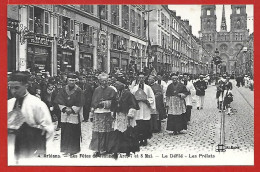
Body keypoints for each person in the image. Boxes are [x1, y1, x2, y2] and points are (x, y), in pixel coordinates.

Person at [8, 71, 54, 162]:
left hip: (30, 148)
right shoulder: (8, 104)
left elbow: (49, 130)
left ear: (26, 85)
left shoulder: (37, 104)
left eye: (17, 88)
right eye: (10, 88)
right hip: (10, 147)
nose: (13, 91)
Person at [54, 73, 85, 156]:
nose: (72, 82)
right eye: (70, 80)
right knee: (65, 131)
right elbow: (59, 100)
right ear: (67, 80)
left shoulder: (79, 90)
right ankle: (65, 149)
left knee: (73, 131)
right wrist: (64, 108)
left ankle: (73, 150)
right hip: (65, 113)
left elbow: (80, 102)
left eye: (74, 80)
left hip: (74, 113)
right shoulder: (63, 89)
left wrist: (72, 109)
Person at [89, 73, 117, 157]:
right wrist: (91, 113)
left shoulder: (112, 90)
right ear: (99, 81)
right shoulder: (97, 89)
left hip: (107, 113)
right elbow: (93, 102)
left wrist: (105, 103)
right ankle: (97, 149)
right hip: (98, 113)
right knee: (97, 132)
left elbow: (115, 102)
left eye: (106, 81)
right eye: (102, 81)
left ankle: (108, 148)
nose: (104, 82)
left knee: (107, 132)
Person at [110, 83, 140, 159]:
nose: (117, 85)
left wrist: (130, 114)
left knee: (127, 133)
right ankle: (117, 150)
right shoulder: (116, 94)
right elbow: (113, 104)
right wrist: (113, 112)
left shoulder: (128, 94)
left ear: (123, 85)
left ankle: (127, 151)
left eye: (118, 84)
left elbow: (133, 105)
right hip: (118, 115)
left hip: (126, 115)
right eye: (116, 84)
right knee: (117, 133)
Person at [131, 72, 156, 146]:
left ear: (144, 78)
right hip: (138, 108)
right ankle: (139, 139)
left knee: (145, 124)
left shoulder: (148, 88)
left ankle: (145, 139)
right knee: (138, 125)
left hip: (145, 108)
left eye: (142, 78)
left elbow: (152, 97)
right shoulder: (135, 88)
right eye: (140, 78)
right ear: (138, 78)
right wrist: (136, 100)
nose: (141, 79)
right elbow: (131, 98)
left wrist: (147, 101)